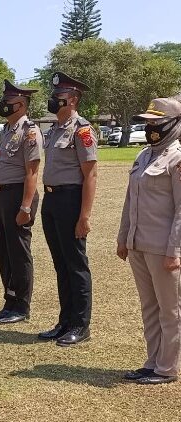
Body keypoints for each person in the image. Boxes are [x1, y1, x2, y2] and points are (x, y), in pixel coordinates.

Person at [118, 97, 181, 385]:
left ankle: (167, 367)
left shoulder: (177, 158)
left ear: (174, 124)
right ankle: (152, 361)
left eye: (157, 123)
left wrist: (175, 250)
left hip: (163, 247)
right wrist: (124, 237)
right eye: (148, 122)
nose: (151, 127)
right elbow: (131, 199)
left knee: (170, 309)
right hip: (139, 245)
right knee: (149, 307)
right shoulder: (143, 155)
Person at [38, 72, 98, 346]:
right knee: (60, 264)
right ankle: (64, 321)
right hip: (51, 200)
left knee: (75, 264)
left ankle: (80, 325)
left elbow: (91, 175)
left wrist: (84, 215)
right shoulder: (54, 129)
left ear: (72, 100)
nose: (53, 100)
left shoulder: (82, 129)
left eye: (58, 96)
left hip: (70, 200)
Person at [0, 80, 43, 325]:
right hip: (1, 194)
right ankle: (9, 302)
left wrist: (26, 206)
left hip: (19, 195)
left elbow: (32, 172)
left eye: (8, 101)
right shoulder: (6, 130)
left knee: (19, 252)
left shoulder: (30, 131)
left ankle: (21, 305)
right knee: (4, 252)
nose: (3, 105)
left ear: (20, 104)